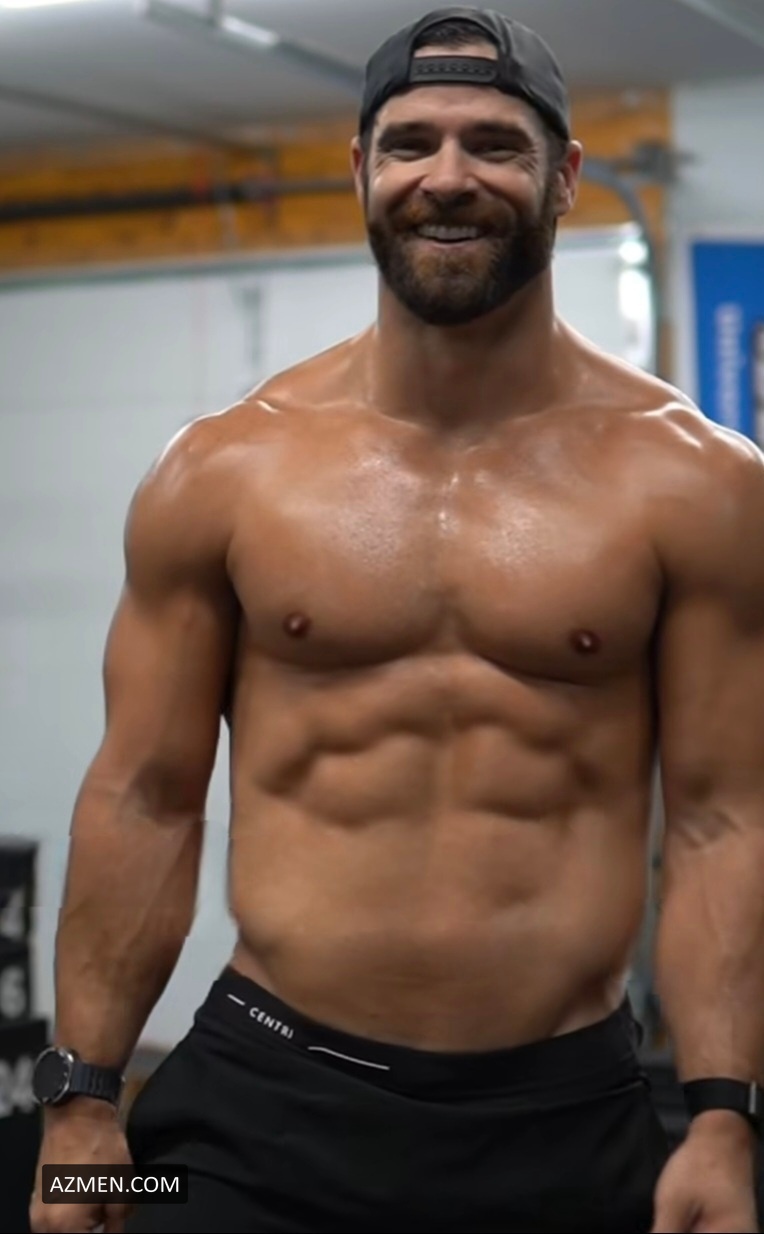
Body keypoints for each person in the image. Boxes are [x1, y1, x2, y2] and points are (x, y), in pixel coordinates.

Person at [29, 8, 764, 1234]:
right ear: (359, 170)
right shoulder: (223, 468)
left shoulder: (698, 483)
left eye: (495, 144)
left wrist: (723, 1120)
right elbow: (143, 796)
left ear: (564, 176)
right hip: (255, 1111)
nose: (448, 177)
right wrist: (79, 1107)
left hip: (561, 1120)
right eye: (411, 142)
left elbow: (720, 820)